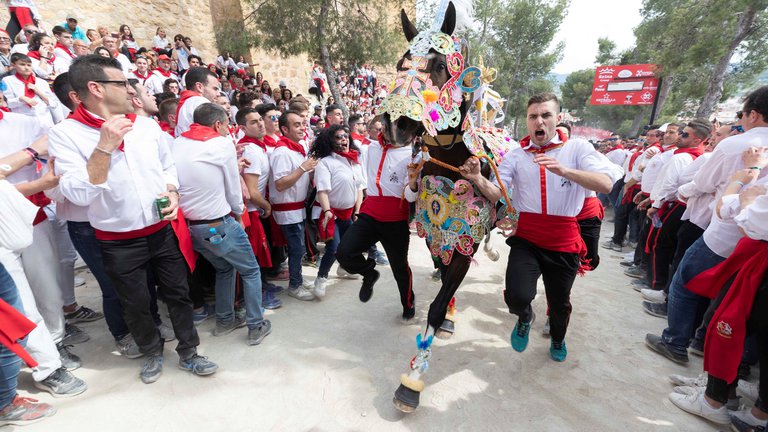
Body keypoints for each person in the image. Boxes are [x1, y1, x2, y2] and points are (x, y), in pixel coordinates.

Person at [49, 54, 219, 384]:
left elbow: (167, 166)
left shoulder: (145, 125)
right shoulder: (65, 134)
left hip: (161, 230)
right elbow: (78, 194)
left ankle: (189, 352)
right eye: (122, 83)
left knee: (179, 293)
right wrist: (105, 147)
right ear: (96, 88)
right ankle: (152, 352)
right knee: (136, 302)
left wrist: (172, 191)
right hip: (117, 240)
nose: (131, 90)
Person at [458, 93, 621, 362]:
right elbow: (498, 193)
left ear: (558, 119)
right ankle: (524, 317)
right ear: (527, 121)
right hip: (528, 237)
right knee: (516, 297)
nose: (539, 121)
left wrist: (565, 171)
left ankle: (558, 339)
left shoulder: (577, 149)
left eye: (546, 115)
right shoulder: (515, 156)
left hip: (563, 239)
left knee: (559, 303)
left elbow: (605, 184)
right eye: (533, 116)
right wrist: (476, 178)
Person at [645, 86, 768, 365]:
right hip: (757, 242)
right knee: (738, 299)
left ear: (754, 114)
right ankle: (704, 343)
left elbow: (704, 183)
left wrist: (686, 191)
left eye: (743, 116)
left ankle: (675, 341)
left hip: (725, 233)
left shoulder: (735, 145)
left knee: (685, 282)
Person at [174, 103, 272, 344]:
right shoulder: (220, 144)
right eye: (228, 125)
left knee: (224, 268)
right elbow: (233, 189)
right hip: (218, 222)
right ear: (218, 125)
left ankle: (225, 321)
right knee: (250, 270)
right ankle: (256, 325)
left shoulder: (177, 142)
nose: (230, 131)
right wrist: (239, 214)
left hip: (192, 227)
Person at [335, 114, 420, 320]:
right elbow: (345, 140)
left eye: (403, 126)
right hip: (370, 213)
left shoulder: (414, 156)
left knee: (399, 268)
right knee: (344, 253)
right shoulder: (369, 147)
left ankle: (408, 303)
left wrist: (413, 182)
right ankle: (369, 273)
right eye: (392, 123)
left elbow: (410, 196)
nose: (394, 129)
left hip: (395, 218)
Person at [310, 125, 364, 299]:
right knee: (333, 247)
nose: (344, 140)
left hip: (349, 214)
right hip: (332, 213)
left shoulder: (354, 160)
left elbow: (359, 189)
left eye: (345, 136)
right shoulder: (325, 162)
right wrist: (326, 211)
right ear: (329, 141)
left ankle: (344, 268)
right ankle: (321, 277)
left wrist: (357, 210)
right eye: (339, 137)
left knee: (350, 247)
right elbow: (322, 191)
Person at [268, 110, 318, 300]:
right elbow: (280, 184)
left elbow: (299, 177)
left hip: (297, 209)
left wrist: (310, 171)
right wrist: (303, 168)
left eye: (302, 124)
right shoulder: (282, 152)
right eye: (296, 125)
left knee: (298, 248)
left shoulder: (296, 149)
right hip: (288, 211)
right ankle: (295, 285)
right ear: (284, 129)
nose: (302, 128)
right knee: (297, 248)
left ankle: (297, 278)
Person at [238, 107, 283, 309]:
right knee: (256, 253)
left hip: (256, 208)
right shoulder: (250, 150)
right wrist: (266, 205)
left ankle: (263, 286)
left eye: (260, 120)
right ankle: (258, 295)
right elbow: (252, 190)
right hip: (251, 210)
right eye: (254, 122)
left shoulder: (258, 147)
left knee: (262, 251)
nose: (261, 124)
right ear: (242, 127)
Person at [2, 53, 58, 130]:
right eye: (22, 64)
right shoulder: (7, 81)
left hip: (45, 121)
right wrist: (21, 99)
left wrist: (38, 92)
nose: (26, 68)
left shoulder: (41, 82)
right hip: (24, 122)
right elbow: (7, 104)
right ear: (13, 65)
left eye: (29, 65)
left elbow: (54, 104)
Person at [175, 67, 220, 136]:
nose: (218, 94)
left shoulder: (187, 102)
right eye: (215, 89)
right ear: (199, 87)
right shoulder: (201, 102)